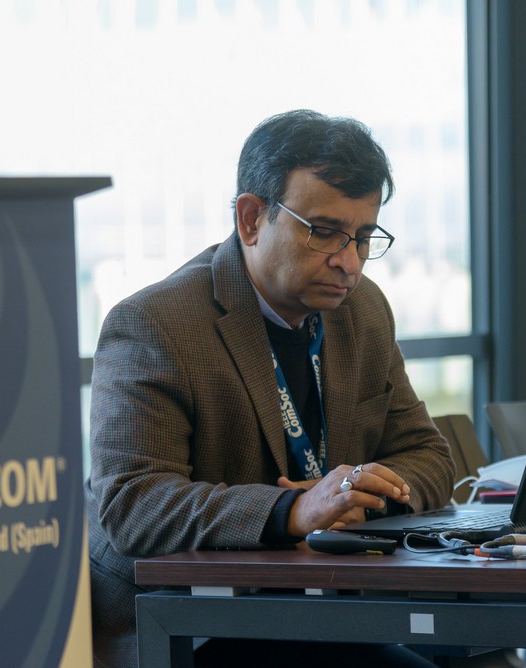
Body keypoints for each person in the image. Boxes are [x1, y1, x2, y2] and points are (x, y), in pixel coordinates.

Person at [85, 109, 456, 667]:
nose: (349, 263)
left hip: (325, 609)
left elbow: (428, 455)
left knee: (482, 652)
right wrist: (292, 510)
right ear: (252, 219)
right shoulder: (156, 325)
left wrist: (359, 498)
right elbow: (133, 504)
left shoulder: (363, 311)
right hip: (190, 627)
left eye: (362, 238)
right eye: (324, 232)